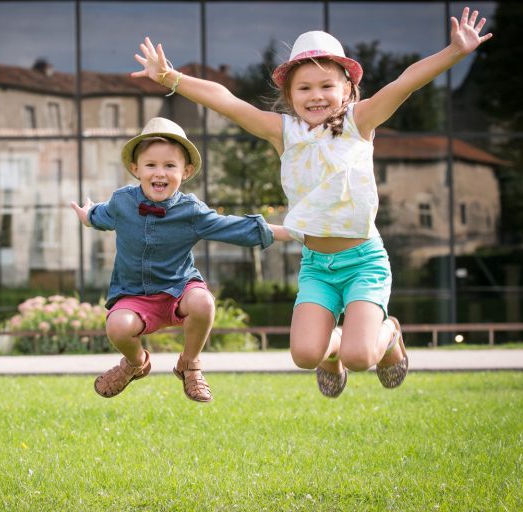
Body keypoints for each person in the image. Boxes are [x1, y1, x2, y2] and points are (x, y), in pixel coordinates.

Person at [132, 7, 492, 397]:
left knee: (360, 357)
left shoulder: (360, 123)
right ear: (289, 95)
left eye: (326, 86)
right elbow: (226, 101)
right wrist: (171, 77)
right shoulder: (284, 133)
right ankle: (330, 351)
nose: (316, 96)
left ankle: (389, 335)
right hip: (317, 266)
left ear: (347, 90)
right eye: (304, 88)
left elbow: (405, 83)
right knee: (305, 354)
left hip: (363, 261)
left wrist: (454, 53)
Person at [71, 117, 291, 402]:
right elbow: (100, 216)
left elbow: (234, 228)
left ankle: (189, 364)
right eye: (151, 165)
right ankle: (135, 363)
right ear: (136, 169)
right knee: (117, 327)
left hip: (179, 290)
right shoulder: (122, 201)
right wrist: (87, 216)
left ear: (185, 172)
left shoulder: (192, 211)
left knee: (204, 302)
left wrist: (293, 232)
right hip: (134, 295)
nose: (159, 173)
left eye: (169, 166)